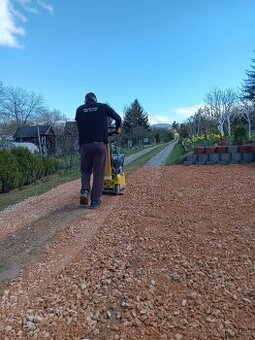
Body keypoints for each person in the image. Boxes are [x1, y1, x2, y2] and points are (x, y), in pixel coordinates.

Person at [75, 92, 122, 209]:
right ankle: (95, 200)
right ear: (95, 100)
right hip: (100, 145)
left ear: (85, 100)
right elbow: (118, 118)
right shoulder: (103, 107)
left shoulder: (79, 109)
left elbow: (80, 126)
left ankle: (85, 191)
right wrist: (117, 129)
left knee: (85, 171)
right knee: (98, 173)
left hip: (85, 146)